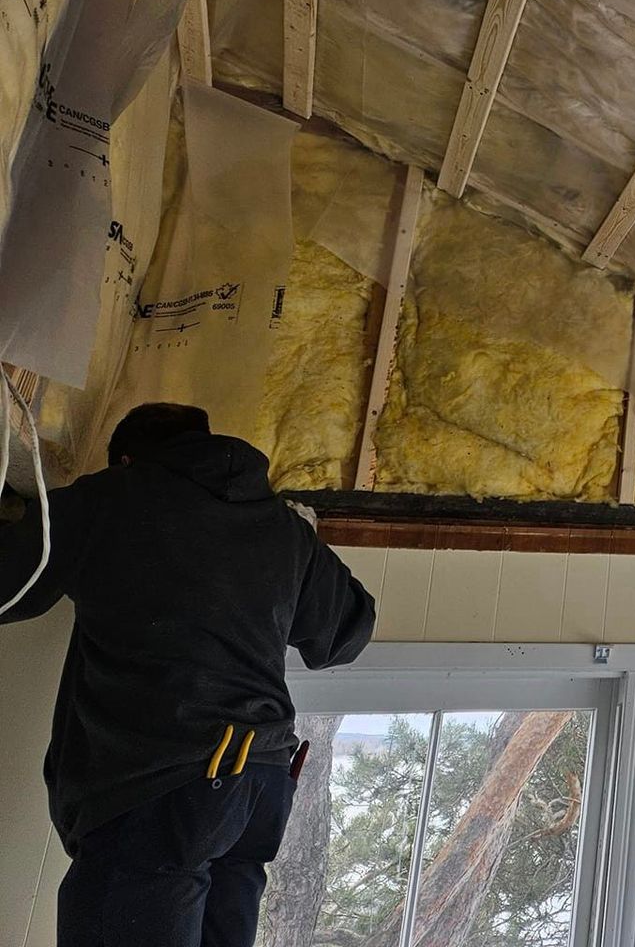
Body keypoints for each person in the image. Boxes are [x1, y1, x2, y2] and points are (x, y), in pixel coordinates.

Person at [0, 401, 377, 947]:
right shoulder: (281, 528)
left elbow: (10, 584)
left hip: (168, 785)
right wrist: (295, 552)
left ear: (127, 459)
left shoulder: (111, 498)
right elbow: (348, 632)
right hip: (258, 785)